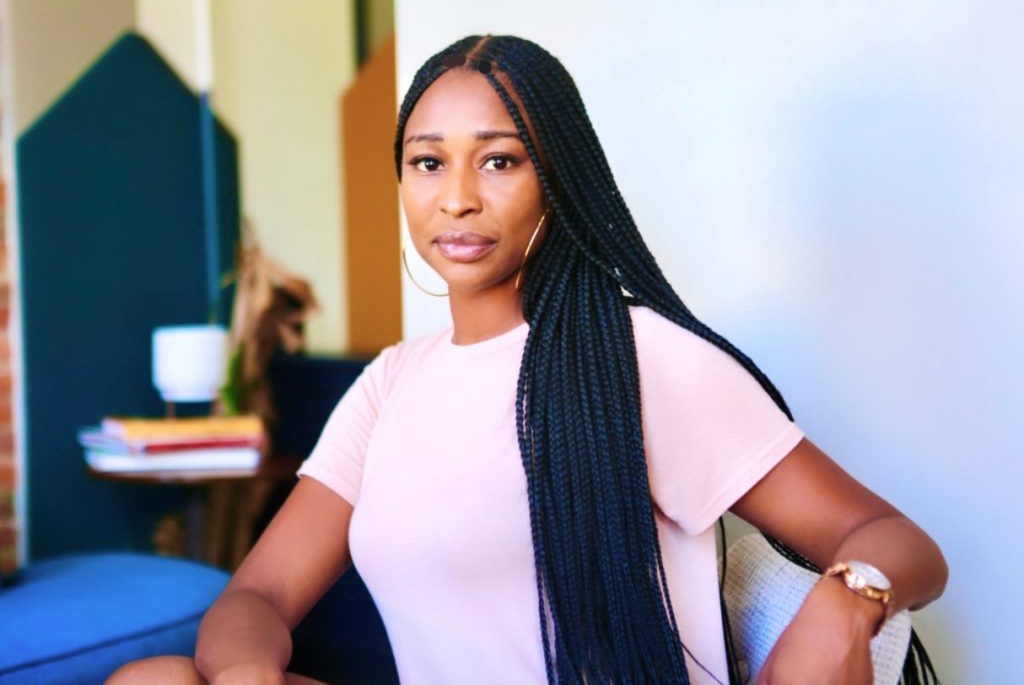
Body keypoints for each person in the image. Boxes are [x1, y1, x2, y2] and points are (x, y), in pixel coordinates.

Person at [110, 34, 947, 685]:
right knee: (156, 679)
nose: (457, 197)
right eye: (428, 162)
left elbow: (897, 540)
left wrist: (847, 602)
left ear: (556, 179)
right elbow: (256, 595)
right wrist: (249, 671)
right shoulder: (390, 385)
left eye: (499, 160)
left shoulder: (638, 356)